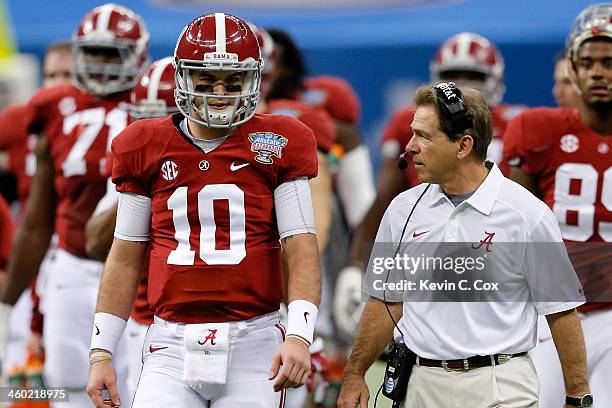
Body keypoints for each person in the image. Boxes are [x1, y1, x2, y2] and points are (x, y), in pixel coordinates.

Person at [85, 13, 322, 408]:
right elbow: (125, 256)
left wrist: (299, 334)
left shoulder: (280, 140)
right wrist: (101, 352)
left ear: (254, 80)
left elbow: (300, 247)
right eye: (205, 79)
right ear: (182, 78)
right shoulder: (143, 144)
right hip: (169, 342)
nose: (219, 92)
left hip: (254, 340)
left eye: (233, 81)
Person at [337, 83, 591, 408]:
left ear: (463, 146)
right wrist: (355, 373)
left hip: (502, 384)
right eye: (413, 134)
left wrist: (577, 395)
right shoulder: (403, 210)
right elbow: (388, 303)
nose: (411, 147)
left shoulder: (527, 215)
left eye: (425, 136)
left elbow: (561, 312)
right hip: (421, 383)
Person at [0, 4, 149, 406]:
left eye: (111, 54)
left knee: (144, 390)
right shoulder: (53, 108)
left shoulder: (154, 102)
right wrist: (7, 302)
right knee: (67, 389)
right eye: (93, 53)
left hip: (142, 272)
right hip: (73, 265)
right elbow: (37, 220)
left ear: (137, 56)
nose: (100, 65)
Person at [337, 32, 525, 338]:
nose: (462, 87)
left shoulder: (521, 125)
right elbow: (384, 204)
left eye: (473, 76)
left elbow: (530, 209)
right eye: (453, 76)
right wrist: (354, 267)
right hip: (429, 253)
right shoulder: (409, 123)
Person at [504, 4, 612, 407]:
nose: (597, 73)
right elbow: (516, 225)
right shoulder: (539, 131)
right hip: (553, 311)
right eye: (587, 63)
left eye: (608, 62)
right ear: (574, 67)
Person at [84, 56, 177, 401]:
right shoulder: (134, 157)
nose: (150, 132)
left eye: (162, 121)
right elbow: (94, 242)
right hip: (144, 323)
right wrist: (139, 187)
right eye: (143, 121)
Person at [0, 41, 73, 379]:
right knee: (21, 372)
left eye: (67, 75)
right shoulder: (21, 118)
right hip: (33, 252)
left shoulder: (102, 122)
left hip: (80, 255)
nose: (57, 83)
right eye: (50, 75)